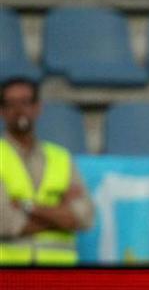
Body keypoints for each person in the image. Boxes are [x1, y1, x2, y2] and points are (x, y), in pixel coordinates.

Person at [0, 78, 94, 264]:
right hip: (9, 277)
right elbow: (5, 223)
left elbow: (84, 217)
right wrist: (61, 214)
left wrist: (27, 206)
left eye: (25, 102)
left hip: (58, 274)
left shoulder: (61, 157)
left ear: (37, 107)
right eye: (11, 104)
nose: (19, 110)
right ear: (2, 111)